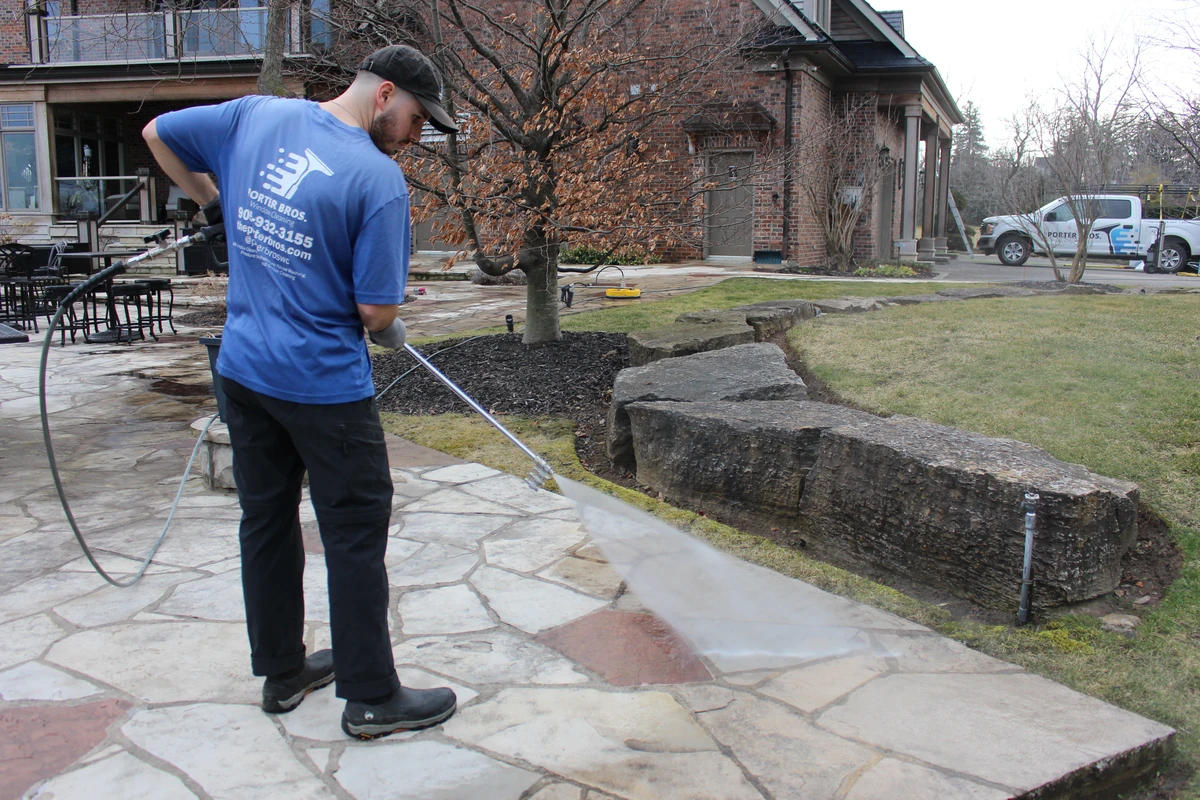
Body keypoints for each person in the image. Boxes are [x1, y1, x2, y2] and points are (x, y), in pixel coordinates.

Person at [144, 45, 460, 740]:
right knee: (352, 531)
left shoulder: (257, 115)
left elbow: (157, 134)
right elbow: (376, 313)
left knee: (266, 520)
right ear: (383, 97)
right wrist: (379, 316)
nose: (416, 136)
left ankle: (283, 674)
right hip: (322, 387)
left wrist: (212, 205)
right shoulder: (377, 180)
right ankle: (372, 695)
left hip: (245, 369)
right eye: (415, 119)